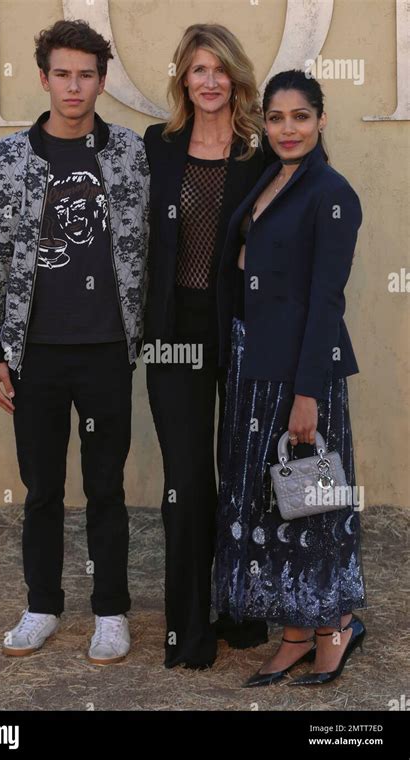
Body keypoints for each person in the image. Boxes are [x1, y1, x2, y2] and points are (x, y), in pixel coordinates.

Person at [0, 19, 149, 664]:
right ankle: (42, 604)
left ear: (102, 80)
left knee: (106, 486)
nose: (75, 86)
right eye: (63, 74)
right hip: (33, 355)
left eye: (87, 74)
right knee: (41, 487)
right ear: (43, 78)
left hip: (105, 351)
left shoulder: (129, 155)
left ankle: (110, 611)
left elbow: (158, 244)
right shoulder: (6, 161)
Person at [215, 70, 367, 686]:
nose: (287, 129)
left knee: (314, 503)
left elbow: (327, 301)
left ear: (321, 119)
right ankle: (297, 632)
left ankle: (335, 627)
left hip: (305, 369)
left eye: (300, 116)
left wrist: (308, 394)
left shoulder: (333, 192)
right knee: (270, 501)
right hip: (253, 361)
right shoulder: (267, 178)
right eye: (276, 118)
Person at [143, 23, 271, 669]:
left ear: (235, 76)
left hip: (242, 327)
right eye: (198, 69)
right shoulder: (158, 148)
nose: (211, 80)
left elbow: (304, 214)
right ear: (184, 79)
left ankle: (241, 613)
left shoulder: (262, 149)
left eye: (220, 68)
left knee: (243, 475)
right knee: (188, 480)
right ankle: (188, 629)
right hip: (172, 333)